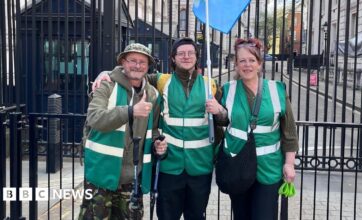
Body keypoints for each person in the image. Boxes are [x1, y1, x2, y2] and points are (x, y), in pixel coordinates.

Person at [92, 37, 222, 220]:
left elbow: (226, 119)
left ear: (197, 57)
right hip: (169, 165)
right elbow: (130, 74)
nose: (186, 56)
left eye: (190, 53)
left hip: (201, 166)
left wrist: (220, 111)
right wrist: (105, 73)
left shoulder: (212, 85)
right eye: (181, 53)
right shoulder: (161, 81)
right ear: (173, 58)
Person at [205, 38, 299, 220]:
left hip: (269, 167)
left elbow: (289, 131)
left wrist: (289, 163)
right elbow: (224, 121)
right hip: (237, 165)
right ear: (236, 65)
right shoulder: (227, 89)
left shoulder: (277, 90)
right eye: (242, 61)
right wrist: (219, 112)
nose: (247, 65)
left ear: (259, 64)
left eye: (251, 60)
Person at [78, 43, 167, 220]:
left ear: (148, 66)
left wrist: (158, 143)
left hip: (132, 178)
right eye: (132, 60)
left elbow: (154, 129)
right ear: (123, 62)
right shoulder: (107, 85)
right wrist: (130, 110)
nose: (137, 65)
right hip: (100, 174)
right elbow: (94, 117)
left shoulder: (154, 95)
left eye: (142, 62)